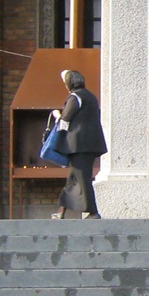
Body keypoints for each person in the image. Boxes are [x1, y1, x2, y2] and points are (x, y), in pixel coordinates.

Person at [52, 68, 106, 219]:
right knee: (73, 178)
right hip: (91, 143)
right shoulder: (91, 97)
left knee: (82, 178)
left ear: (69, 83)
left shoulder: (75, 97)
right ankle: (61, 211)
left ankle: (93, 212)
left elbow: (65, 119)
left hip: (79, 145)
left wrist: (57, 115)